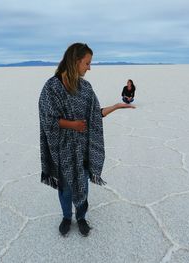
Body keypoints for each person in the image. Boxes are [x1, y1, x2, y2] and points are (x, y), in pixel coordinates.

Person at [38, 43, 135, 237]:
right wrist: (72, 125)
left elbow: (94, 115)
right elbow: (47, 118)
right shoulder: (52, 87)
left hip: (82, 148)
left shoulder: (85, 88)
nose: (89, 68)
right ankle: (67, 217)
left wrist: (115, 106)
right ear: (75, 61)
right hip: (62, 148)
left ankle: (81, 217)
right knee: (65, 186)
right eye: (87, 63)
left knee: (83, 182)